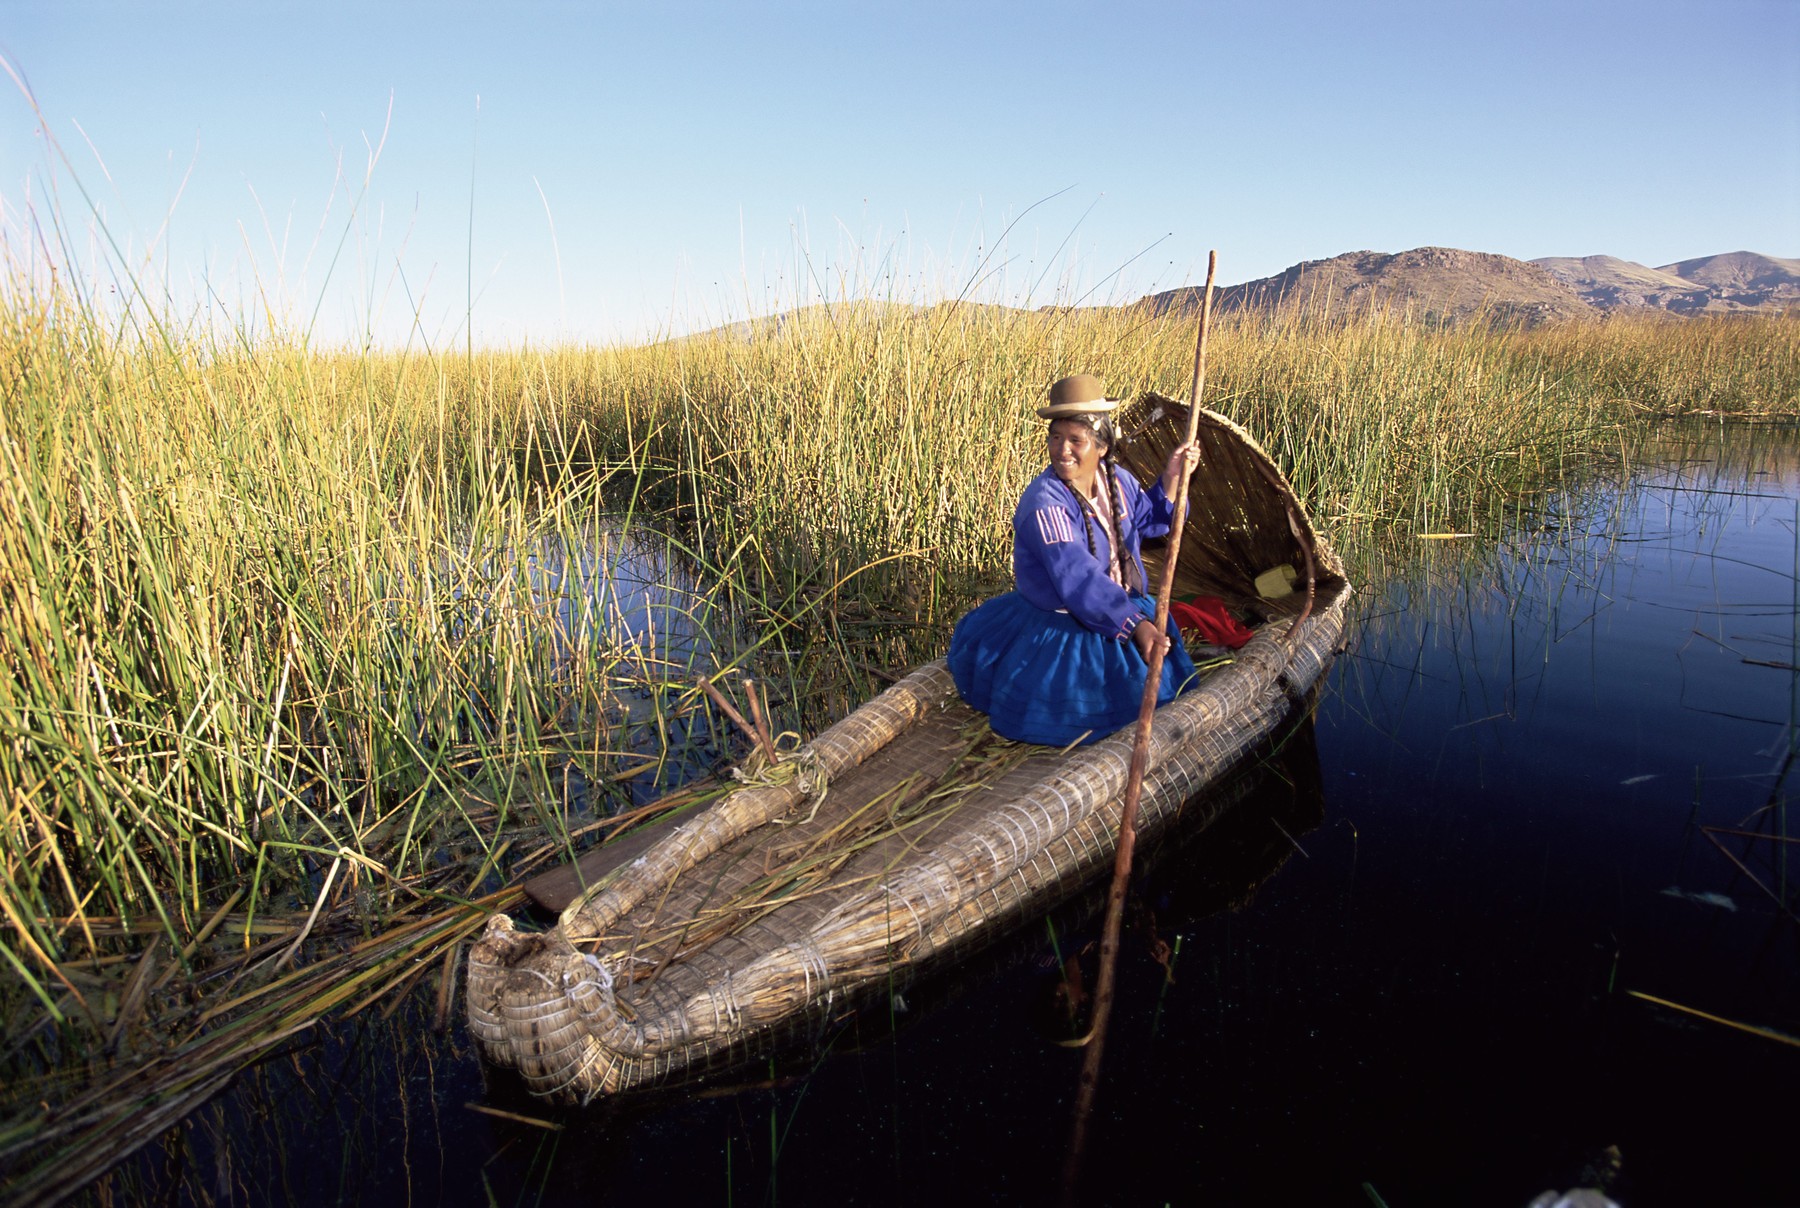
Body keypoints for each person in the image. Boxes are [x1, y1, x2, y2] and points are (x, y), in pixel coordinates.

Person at [948, 374, 1202, 746]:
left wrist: (1171, 479)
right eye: (1055, 438)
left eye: (1075, 440)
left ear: (1101, 446)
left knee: (1159, 690)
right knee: (1098, 714)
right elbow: (1078, 577)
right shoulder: (1045, 503)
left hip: (1115, 605)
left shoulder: (1117, 481)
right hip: (1069, 623)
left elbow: (1148, 520)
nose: (1062, 450)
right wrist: (1135, 625)